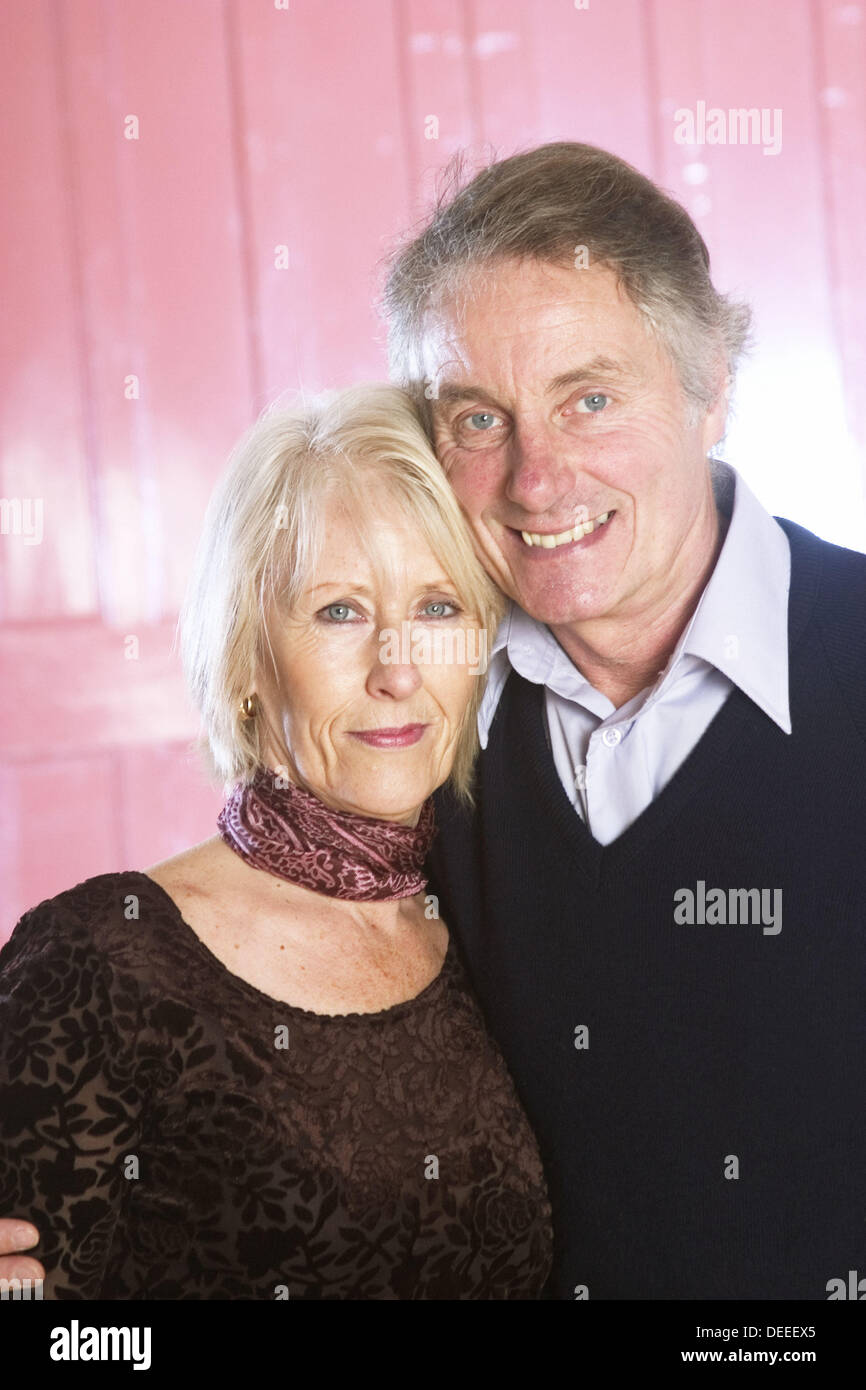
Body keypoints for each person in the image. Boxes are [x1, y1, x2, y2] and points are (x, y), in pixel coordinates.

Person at [381, 142, 866, 1299]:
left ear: (710, 388)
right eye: (478, 419)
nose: (537, 480)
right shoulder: (410, 712)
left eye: (588, 399)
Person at [0, 383, 553, 1299]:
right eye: (340, 611)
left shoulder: (492, 909)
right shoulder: (101, 958)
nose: (397, 669)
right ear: (249, 655)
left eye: (439, 608)